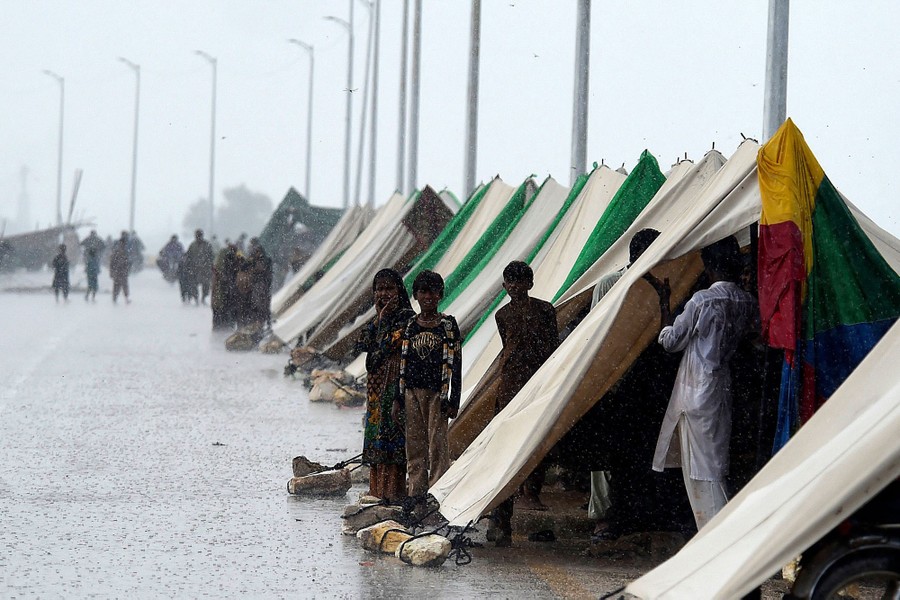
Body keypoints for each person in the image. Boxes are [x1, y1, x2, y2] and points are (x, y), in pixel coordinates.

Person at [649, 235, 758, 531]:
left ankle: (717, 533)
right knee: (715, 464)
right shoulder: (746, 302)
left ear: (708, 266)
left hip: (694, 388)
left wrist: (664, 307)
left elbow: (671, 342)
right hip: (721, 386)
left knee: (700, 472)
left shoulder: (702, 300)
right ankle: (720, 530)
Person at [587, 228, 660, 540]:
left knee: (635, 452)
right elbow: (597, 331)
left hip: (644, 380)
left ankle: (630, 512)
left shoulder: (660, 283)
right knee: (604, 455)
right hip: (612, 380)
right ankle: (603, 516)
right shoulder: (611, 283)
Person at [489, 260, 559, 546]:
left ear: (530, 284)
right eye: (510, 282)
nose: (515, 287)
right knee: (505, 450)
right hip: (511, 388)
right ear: (505, 286)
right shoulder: (502, 314)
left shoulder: (545, 310)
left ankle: (531, 491)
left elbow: (552, 347)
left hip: (537, 383)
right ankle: (501, 518)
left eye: (520, 282)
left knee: (536, 443)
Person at [396, 270, 462, 518]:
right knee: (414, 445)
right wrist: (397, 398)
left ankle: (437, 496)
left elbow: (456, 363)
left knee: (437, 445)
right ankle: (417, 495)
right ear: (415, 296)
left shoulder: (448, 325)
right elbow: (401, 363)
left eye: (433, 292)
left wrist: (454, 398)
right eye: (423, 292)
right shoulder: (410, 326)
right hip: (412, 391)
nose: (428, 297)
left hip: (438, 393)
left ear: (440, 295)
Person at [355, 269, 417, 503]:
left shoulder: (407, 318)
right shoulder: (379, 320)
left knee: (393, 435)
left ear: (399, 291)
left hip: (395, 385)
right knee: (376, 435)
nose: (384, 294)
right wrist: (379, 320)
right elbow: (361, 344)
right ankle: (376, 490)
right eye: (379, 289)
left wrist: (380, 331)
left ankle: (393, 493)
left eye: (389, 288)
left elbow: (385, 349)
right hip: (376, 388)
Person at [211, 242, 242, 329]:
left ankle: (223, 327)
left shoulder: (230, 255)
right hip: (224, 291)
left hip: (227, 292)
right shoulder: (229, 255)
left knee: (223, 311)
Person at [183, 229, 215, 305]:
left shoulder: (207, 245)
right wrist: (187, 264)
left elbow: (211, 256)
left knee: (206, 285)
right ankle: (196, 298)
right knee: (193, 285)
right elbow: (188, 255)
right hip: (194, 269)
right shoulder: (192, 245)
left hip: (205, 269)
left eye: (199, 235)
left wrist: (209, 264)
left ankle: (203, 298)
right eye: (197, 235)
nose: (198, 237)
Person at [109, 231, 131, 303]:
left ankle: (115, 298)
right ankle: (125, 298)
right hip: (121, 270)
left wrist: (112, 271)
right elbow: (127, 262)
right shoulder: (124, 251)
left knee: (117, 285)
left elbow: (112, 262)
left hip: (118, 271)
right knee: (123, 285)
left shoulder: (117, 250)